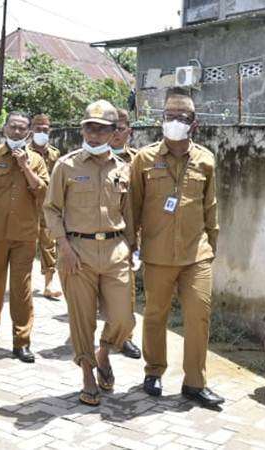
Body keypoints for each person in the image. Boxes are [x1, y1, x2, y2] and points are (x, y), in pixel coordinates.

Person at [130, 88, 224, 408]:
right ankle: (154, 370)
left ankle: (195, 383)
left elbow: (210, 207)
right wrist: (131, 246)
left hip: (197, 255)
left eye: (181, 117)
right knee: (155, 314)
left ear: (194, 123)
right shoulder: (144, 159)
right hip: (157, 255)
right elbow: (133, 207)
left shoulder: (205, 159)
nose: (173, 121)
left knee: (199, 316)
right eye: (169, 115)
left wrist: (211, 246)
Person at [43, 100, 136, 406]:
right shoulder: (66, 166)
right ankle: (87, 374)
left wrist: (132, 248)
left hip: (115, 250)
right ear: (82, 130)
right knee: (82, 318)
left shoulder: (123, 168)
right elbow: (51, 209)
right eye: (89, 128)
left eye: (102, 130)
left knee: (124, 318)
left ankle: (104, 352)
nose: (94, 135)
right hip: (77, 251)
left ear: (114, 132)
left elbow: (129, 213)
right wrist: (64, 247)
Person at [0, 112, 49, 363]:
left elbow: (43, 192)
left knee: (21, 288)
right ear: (5, 128)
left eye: (22, 128)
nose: (17, 132)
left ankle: (21, 340)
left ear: (28, 132)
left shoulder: (36, 160)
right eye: (13, 127)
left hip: (24, 235)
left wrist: (25, 166)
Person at [108, 107, 142, 360]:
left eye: (120, 128)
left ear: (129, 131)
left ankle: (125, 337)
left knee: (126, 289)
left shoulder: (139, 161)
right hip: (97, 234)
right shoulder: (93, 158)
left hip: (126, 235)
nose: (116, 133)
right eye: (112, 128)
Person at [27, 113, 63, 299]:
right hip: (27, 206)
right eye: (38, 129)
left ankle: (49, 284)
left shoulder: (55, 154)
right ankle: (23, 283)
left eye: (45, 130)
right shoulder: (24, 152)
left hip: (48, 206)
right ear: (31, 130)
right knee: (26, 245)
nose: (42, 133)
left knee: (49, 244)